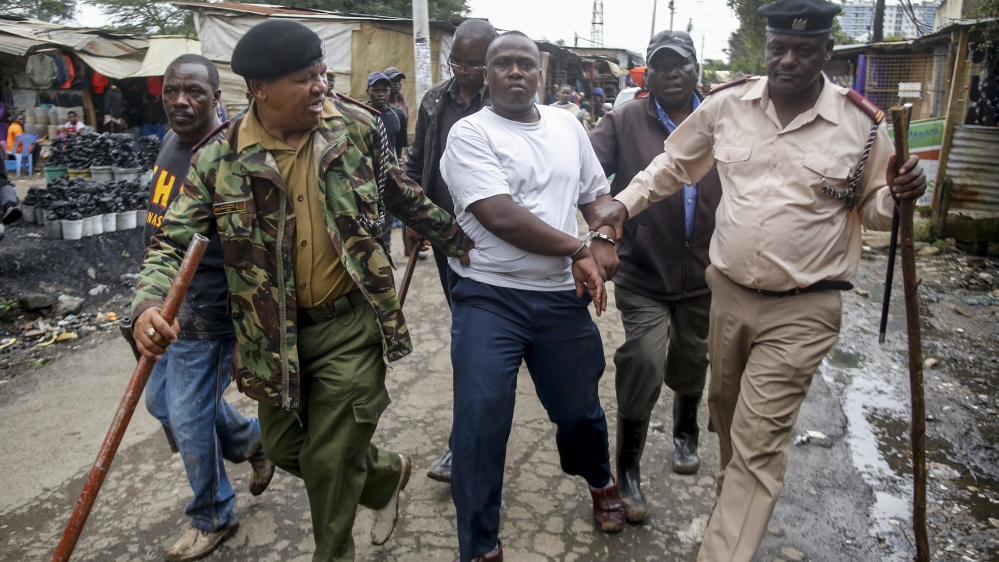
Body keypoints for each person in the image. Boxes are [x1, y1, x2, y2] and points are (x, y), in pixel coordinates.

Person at [587, 0, 928, 559]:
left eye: (803, 50)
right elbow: (674, 164)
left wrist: (901, 192)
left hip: (805, 307)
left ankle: (726, 544)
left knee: (758, 442)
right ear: (765, 49)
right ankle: (735, 504)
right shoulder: (728, 106)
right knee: (724, 413)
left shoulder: (860, 126)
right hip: (727, 295)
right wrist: (622, 205)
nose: (787, 60)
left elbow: (877, 209)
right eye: (778, 48)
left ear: (827, 52)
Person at [130, 20, 474, 562]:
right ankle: (384, 474)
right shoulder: (218, 159)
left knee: (330, 461)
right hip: (272, 339)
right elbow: (169, 244)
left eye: (322, 73)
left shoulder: (357, 126)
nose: (321, 87)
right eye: (305, 78)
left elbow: (400, 193)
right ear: (259, 90)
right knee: (290, 447)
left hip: (350, 325)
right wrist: (147, 305)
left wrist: (458, 239)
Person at [440, 30, 627, 562]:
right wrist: (578, 249)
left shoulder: (568, 126)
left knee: (578, 411)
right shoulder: (469, 133)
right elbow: (496, 213)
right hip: (488, 295)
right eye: (503, 64)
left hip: (556, 300)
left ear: (540, 75)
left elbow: (597, 195)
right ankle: (479, 545)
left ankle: (598, 478)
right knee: (479, 420)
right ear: (486, 73)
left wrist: (606, 237)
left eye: (525, 64)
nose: (515, 72)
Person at [139, 54, 276, 562]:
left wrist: (246, 332)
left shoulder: (230, 153)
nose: (181, 100)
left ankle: (213, 514)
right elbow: (161, 230)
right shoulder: (172, 140)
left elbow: (257, 248)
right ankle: (250, 441)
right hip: (168, 306)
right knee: (161, 404)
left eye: (194, 91)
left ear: (217, 96)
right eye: (172, 90)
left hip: (210, 311)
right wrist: (148, 301)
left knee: (188, 416)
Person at [587, 29, 721, 524]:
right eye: (661, 65)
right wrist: (597, 221)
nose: (671, 74)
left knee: (693, 355)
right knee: (644, 357)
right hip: (645, 272)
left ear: (695, 70)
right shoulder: (623, 121)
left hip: (707, 272)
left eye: (680, 64)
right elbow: (588, 172)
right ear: (648, 72)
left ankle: (686, 428)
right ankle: (629, 470)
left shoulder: (720, 120)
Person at [403, 18, 497, 484]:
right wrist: (412, 216)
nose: (461, 70)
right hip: (444, 235)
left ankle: (461, 447)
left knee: (471, 341)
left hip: (490, 239)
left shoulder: (505, 101)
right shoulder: (435, 100)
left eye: (472, 63)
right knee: (467, 330)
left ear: (490, 62)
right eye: (455, 60)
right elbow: (418, 158)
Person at [366, 71, 408, 253]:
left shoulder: (397, 115)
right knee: (367, 219)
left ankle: (386, 255)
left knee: (387, 220)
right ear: (368, 91)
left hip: (387, 176)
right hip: (365, 177)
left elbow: (399, 146)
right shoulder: (360, 114)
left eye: (384, 90)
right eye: (376, 90)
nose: (381, 94)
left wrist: (399, 169)